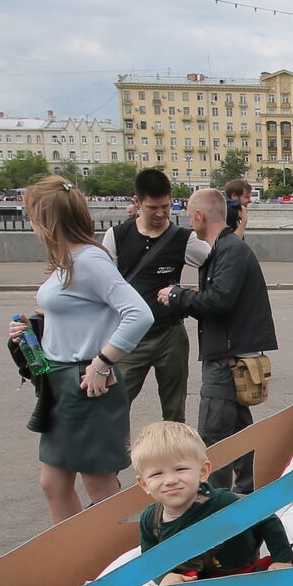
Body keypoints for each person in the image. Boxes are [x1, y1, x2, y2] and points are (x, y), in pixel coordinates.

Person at [7, 176, 153, 525]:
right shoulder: (71, 259)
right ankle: (76, 552)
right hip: (61, 381)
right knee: (54, 483)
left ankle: (116, 554)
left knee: (99, 486)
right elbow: (81, 313)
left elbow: (140, 314)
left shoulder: (88, 260)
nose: (31, 224)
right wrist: (33, 329)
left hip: (85, 382)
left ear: (45, 220)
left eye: (31, 216)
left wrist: (102, 363)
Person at [156, 188, 278, 495]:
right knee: (237, 430)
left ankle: (215, 501)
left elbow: (219, 300)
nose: (189, 221)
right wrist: (186, 299)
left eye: (189, 215)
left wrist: (177, 296)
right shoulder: (226, 248)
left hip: (226, 358)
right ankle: (247, 492)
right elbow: (219, 300)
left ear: (199, 215)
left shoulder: (229, 250)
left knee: (214, 434)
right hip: (231, 353)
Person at [100, 169, 211, 421]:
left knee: (174, 411)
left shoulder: (184, 239)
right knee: (114, 407)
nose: (160, 213)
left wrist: (191, 296)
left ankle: (174, 447)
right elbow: (102, 284)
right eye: (152, 207)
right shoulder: (116, 236)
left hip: (170, 335)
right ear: (137, 202)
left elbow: (216, 263)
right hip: (129, 338)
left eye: (165, 206)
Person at [131, 420, 293, 586]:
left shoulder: (224, 503)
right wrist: (164, 577)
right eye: (157, 474)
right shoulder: (151, 519)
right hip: (190, 584)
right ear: (144, 484)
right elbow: (150, 558)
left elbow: (265, 515)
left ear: (203, 472)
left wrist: (282, 559)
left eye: (180, 469)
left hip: (241, 578)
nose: (170, 480)